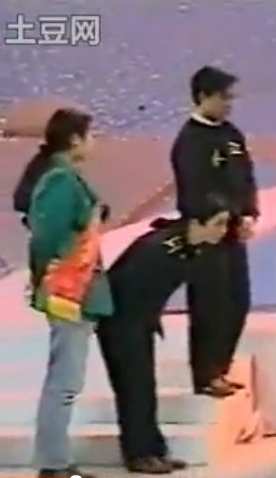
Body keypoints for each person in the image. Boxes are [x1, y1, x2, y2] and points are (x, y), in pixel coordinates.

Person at [97, 198, 230, 474]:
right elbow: (125, 288)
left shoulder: (186, 246)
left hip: (137, 322)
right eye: (218, 223)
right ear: (196, 222)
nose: (223, 230)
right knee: (134, 389)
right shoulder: (158, 249)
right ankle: (139, 454)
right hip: (121, 323)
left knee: (144, 388)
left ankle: (154, 450)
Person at [26, 109, 112, 478]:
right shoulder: (60, 182)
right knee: (63, 382)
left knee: (66, 381)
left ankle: (56, 462)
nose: (94, 142)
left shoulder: (67, 179)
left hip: (74, 290)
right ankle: (53, 465)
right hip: (68, 292)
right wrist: (49, 280)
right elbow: (46, 238)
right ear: (75, 139)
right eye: (90, 135)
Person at [169, 66, 259, 397]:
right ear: (203, 97)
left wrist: (247, 213)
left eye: (231, 97)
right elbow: (194, 186)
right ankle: (206, 374)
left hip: (233, 233)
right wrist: (216, 215)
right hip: (205, 234)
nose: (229, 104)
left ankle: (221, 367)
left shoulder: (232, 134)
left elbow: (246, 177)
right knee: (210, 305)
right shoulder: (190, 140)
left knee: (237, 301)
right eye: (223, 97)